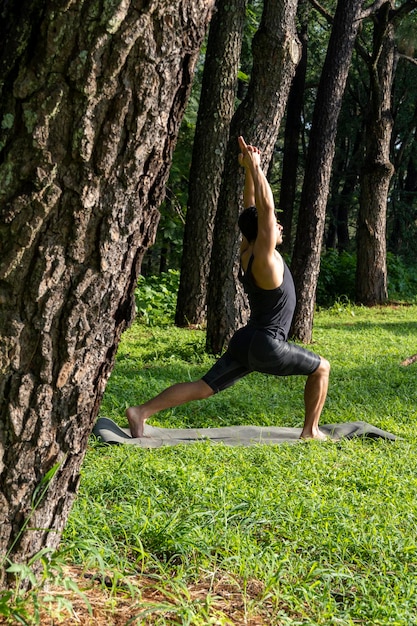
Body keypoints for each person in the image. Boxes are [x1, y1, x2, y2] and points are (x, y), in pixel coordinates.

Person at [127, 136, 330, 440]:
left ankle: (140, 411)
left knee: (204, 387)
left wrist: (249, 169)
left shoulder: (248, 250)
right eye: (275, 225)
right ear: (264, 229)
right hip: (266, 343)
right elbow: (264, 207)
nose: (280, 226)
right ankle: (311, 431)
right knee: (322, 368)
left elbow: (251, 208)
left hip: (246, 340)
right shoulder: (265, 258)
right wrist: (257, 167)